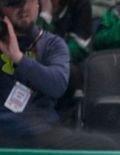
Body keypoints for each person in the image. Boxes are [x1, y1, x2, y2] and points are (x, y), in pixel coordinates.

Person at [0, 0, 69, 144]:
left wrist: (19, 58)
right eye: (14, 3)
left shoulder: (53, 44)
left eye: (28, 1)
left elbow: (58, 86)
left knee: (103, 143)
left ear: (38, 4)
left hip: (42, 132)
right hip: (3, 131)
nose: (23, 8)